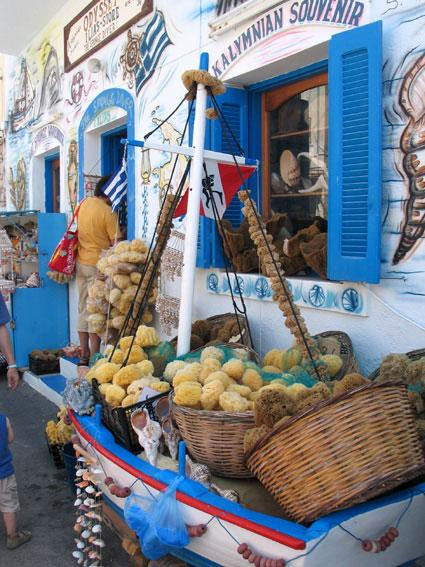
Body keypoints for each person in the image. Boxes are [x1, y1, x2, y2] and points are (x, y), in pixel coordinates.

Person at [76, 176, 121, 365]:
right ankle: (94, 355)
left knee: (82, 307)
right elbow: (116, 244)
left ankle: (83, 352)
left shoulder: (83, 204)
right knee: (96, 310)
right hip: (99, 267)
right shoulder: (108, 212)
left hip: (81, 262)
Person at [0, 414, 31, 550]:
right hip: (3, 472)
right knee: (8, 504)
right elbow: (10, 439)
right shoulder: (2, 419)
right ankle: (12, 537)